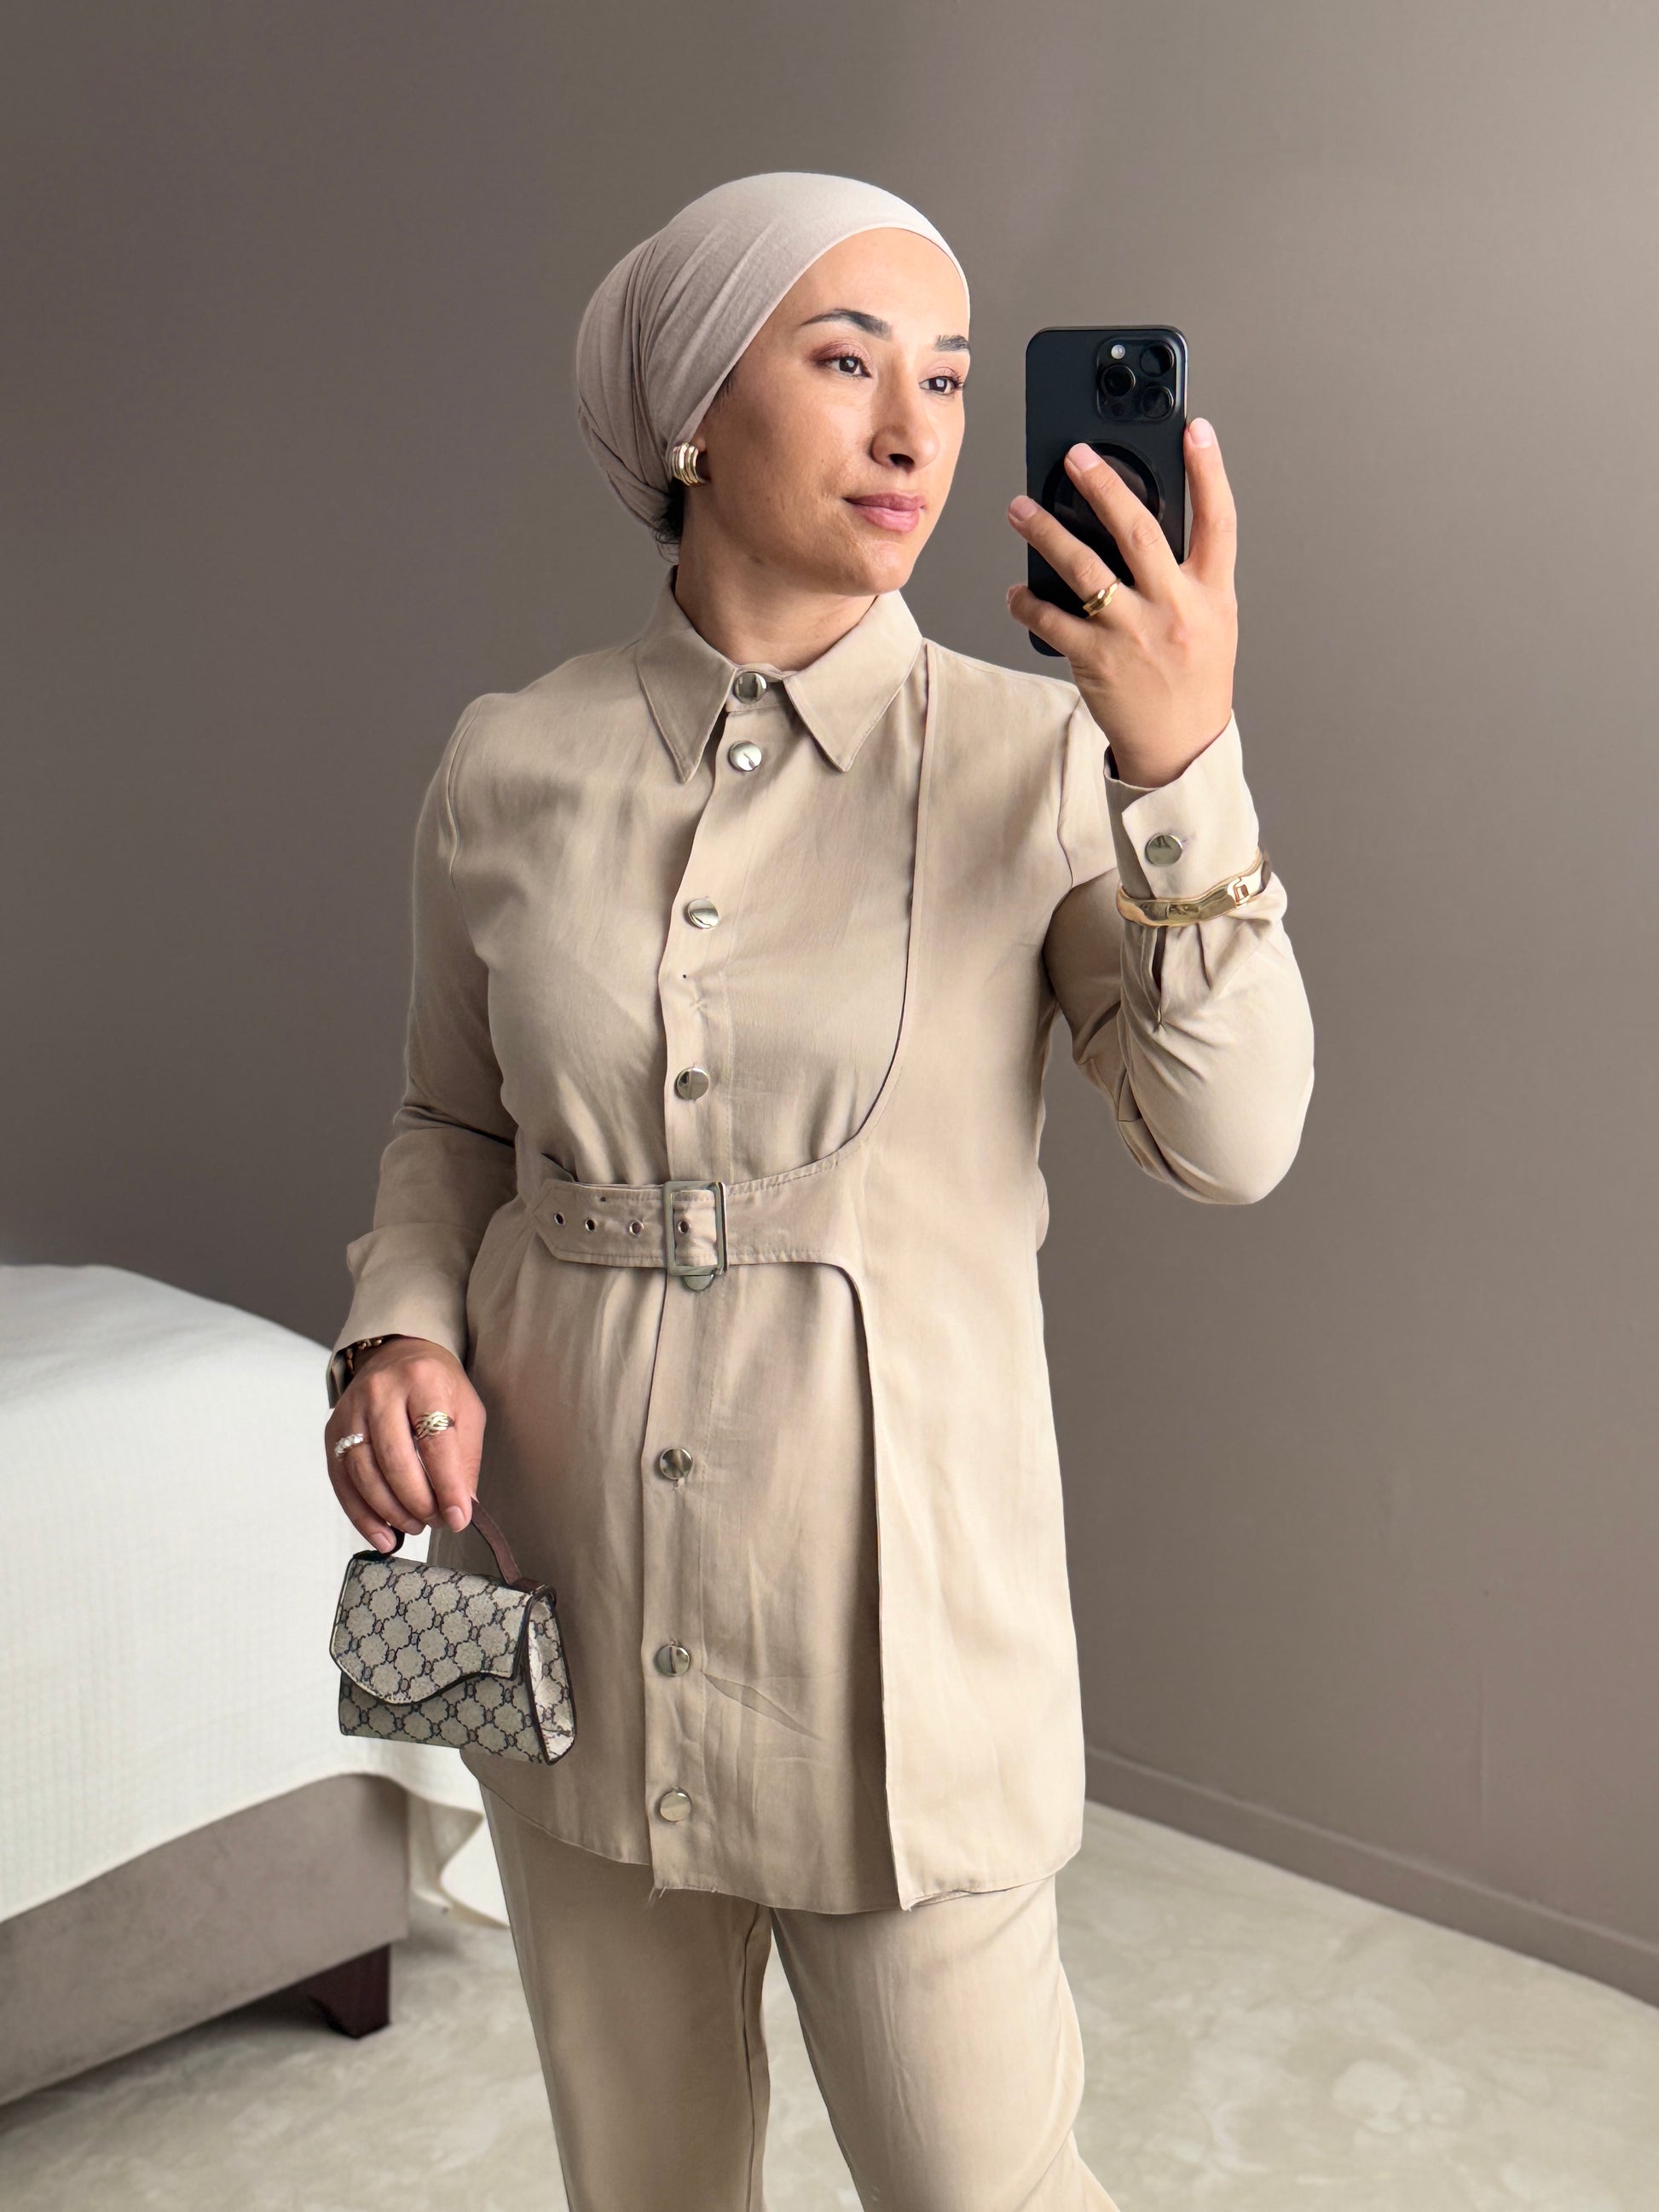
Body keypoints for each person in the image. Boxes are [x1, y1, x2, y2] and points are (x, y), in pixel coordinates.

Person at [322, 170, 1315, 2212]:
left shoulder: (1043, 758)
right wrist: (399, 1331)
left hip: (900, 1651)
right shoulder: (507, 762)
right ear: (694, 408)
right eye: (845, 359)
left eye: (944, 379)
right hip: (573, 1602)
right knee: (646, 2188)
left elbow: (1234, 1134)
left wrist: (1185, 765)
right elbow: (452, 1125)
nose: (910, 430)